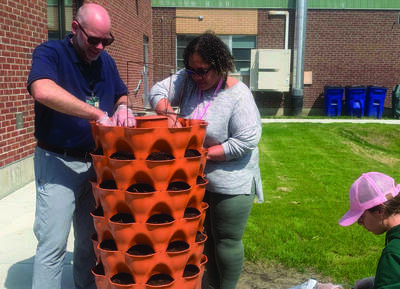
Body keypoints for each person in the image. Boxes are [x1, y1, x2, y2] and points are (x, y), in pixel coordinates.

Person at [27, 3, 135, 289]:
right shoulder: (50, 53)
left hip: (96, 165)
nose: (100, 47)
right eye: (94, 39)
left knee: (90, 241)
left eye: (106, 40)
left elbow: (121, 94)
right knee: (53, 245)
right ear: (75, 28)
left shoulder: (105, 62)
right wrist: (97, 114)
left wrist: (123, 108)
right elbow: (42, 90)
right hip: (58, 161)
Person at [149, 31, 263, 289]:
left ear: (220, 66)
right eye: (191, 70)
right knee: (202, 238)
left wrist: (200, 155)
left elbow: (245, 141)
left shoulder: (239, 95)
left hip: (231, 180)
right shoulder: (188, 80)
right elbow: (156, 91)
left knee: (226, 241)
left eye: (203, 71)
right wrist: (168, 113)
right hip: (196, 179)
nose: (197, 76)